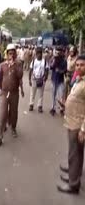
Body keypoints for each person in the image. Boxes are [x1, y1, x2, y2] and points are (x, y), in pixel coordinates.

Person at [57, 55, 85, 195]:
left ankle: (73, 185)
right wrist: (65, 104)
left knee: (74, 154)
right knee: (77, 155)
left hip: (78, 124)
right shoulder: (79, 80)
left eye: (82, 65)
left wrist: (83, 130)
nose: (79, 67)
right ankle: (74, 176)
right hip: (72, 120)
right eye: (78, 65)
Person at [0, 44, 24, 147]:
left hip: (14, 93)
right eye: (9, 53)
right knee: (2, 114)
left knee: (13, 113)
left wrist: (15, 65)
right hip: (4, 93)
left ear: (15, 54)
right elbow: (0, 78)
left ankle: (13, 128)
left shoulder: (18, 64)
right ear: (6, 54)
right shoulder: (2, 65)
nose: (11, 55)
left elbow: (20, 76)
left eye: (13, 53)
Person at [29, 47, 49, 113]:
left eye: (40, 53)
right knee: (33, 93)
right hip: (34, 79)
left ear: (42, 53)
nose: (39, 55)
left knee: (41, 94)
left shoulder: (44, 61)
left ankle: (40, 106)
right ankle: (31, 104)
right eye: (38, 53)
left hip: (41, 79)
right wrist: (29, 79)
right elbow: (31, 70)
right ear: (36, 54)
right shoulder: (34, 61)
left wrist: (45, 77)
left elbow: (47, 69)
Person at [50, 46, 67, 116]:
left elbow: (65, 70)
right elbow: (51, 67)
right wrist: (54, 60)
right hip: (54, 80)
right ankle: (53, 108)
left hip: (60, 80)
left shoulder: (64, 61)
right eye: (57, 51)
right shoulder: (54, 59)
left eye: (60, 51)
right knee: (53, 95)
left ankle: (61, 109)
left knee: (61, 95)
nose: (58, 52)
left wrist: (60, 71)